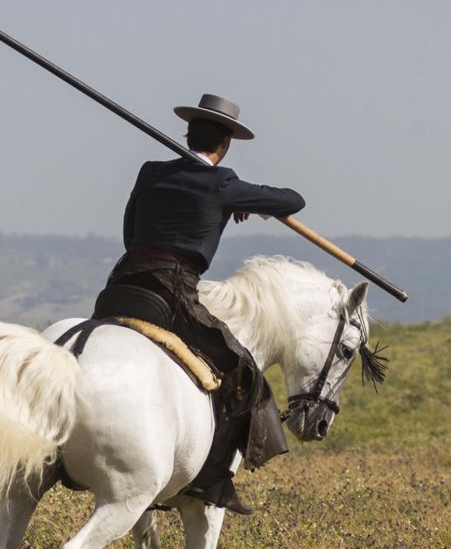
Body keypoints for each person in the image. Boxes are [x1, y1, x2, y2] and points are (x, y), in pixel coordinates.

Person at [104, 93, 305, 515]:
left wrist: (227, 202)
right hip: (172, 292)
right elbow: (292, 200)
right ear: (226, 142)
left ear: (188, 133)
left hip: (121, 284)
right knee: (243, 371)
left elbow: (130, 231)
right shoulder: (223, 183)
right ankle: (211, 480)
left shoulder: (150, 173)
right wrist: (238, 201)